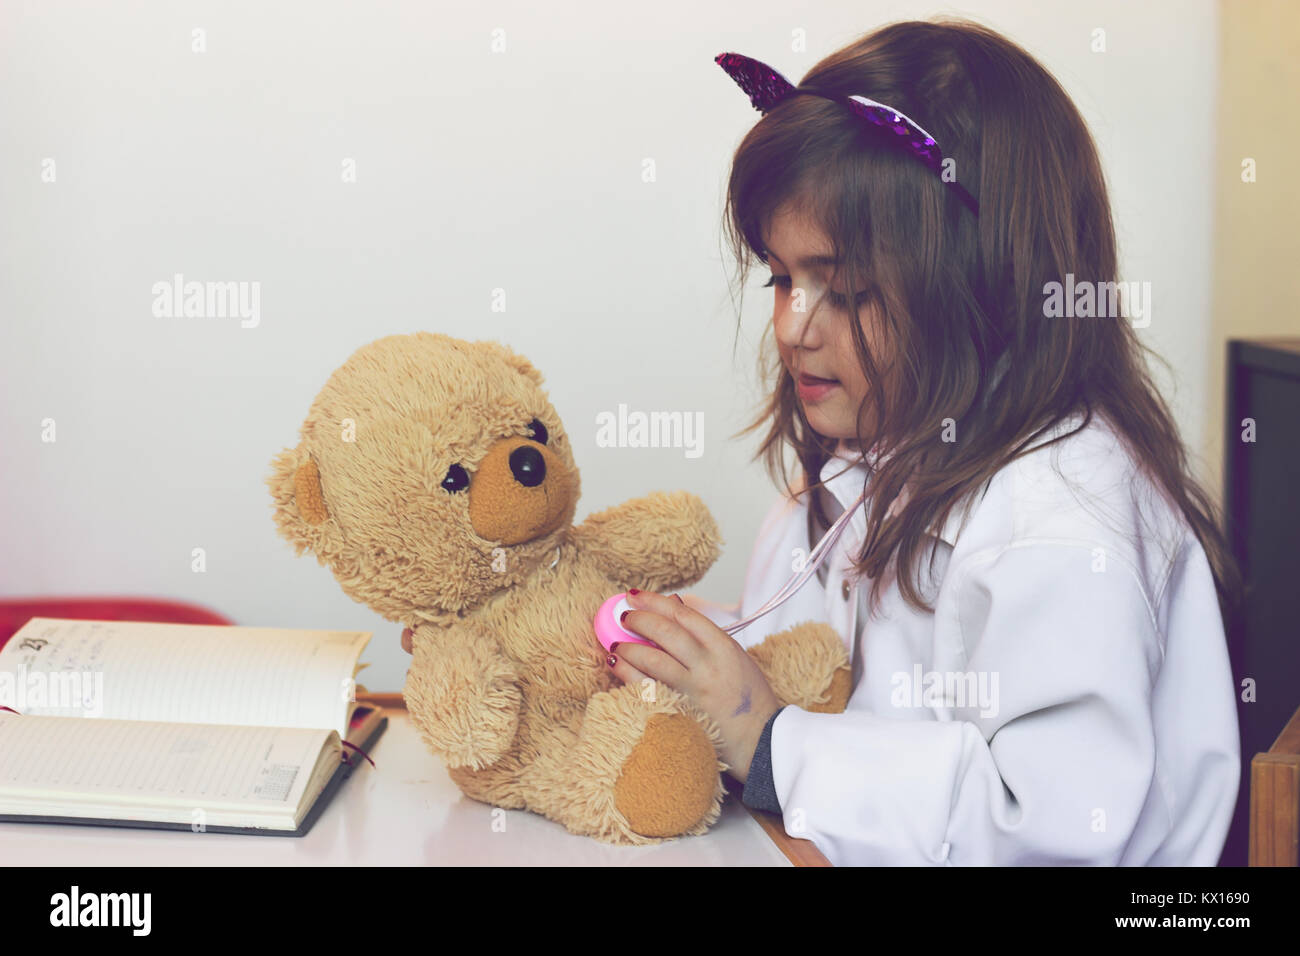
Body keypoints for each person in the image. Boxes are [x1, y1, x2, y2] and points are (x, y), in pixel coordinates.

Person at [606, 19, 1240, 866]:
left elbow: (1049, 827)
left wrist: (770, 744)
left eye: (851, 290)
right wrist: (651, 639)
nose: (792, 327)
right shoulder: (868, 454)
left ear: (990, 290)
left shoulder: (1062, 519)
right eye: (782, 277)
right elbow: (814, 665)